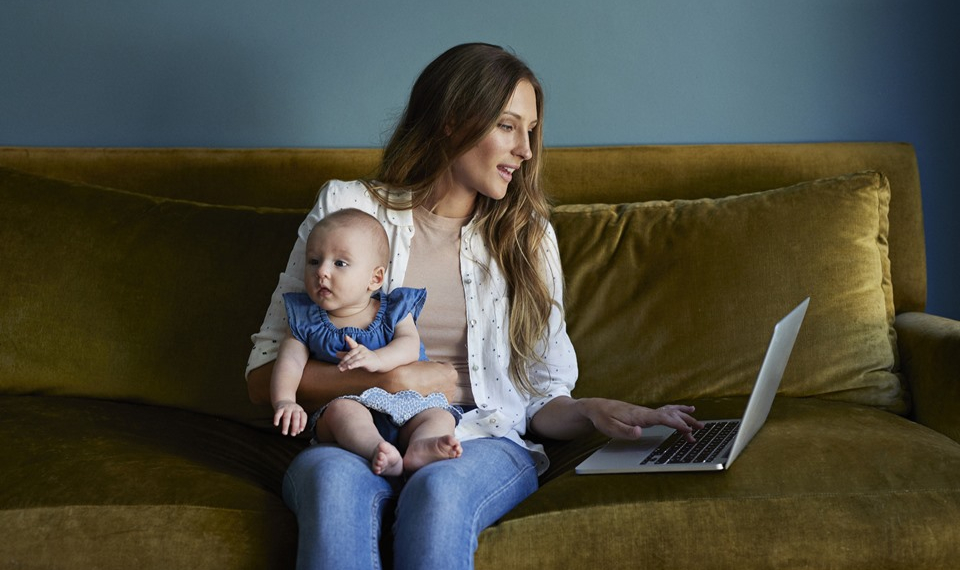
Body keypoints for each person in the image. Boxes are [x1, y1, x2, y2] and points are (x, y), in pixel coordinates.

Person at [246, 42, 703, 570]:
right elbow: (263, 377)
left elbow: (538, 400)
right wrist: (395, 382)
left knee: (440, 493)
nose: (526, 150)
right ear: (452, 121)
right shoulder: (347, 208)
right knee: (331, 484)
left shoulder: (528, 236)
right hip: (354, 430)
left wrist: (590, 410)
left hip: (479, 437)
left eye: (529, 131)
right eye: (509, 126)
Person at [270, 208, 463, 477]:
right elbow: (289, 362)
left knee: (439, 415)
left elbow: (409, 344)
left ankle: (421, 446)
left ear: (375, 278)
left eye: (340, 263)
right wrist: (285, 401)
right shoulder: (306, 319)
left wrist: (378, 359)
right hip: (348, 406)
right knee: (342, 411)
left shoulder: (393, 309)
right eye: (314, 261)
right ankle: (377, 449)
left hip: (406, 405)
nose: (322, 272)